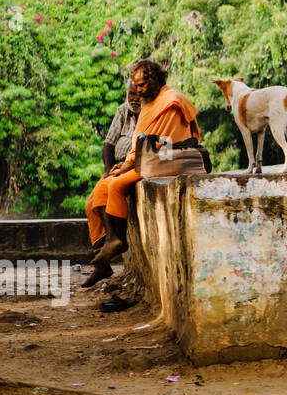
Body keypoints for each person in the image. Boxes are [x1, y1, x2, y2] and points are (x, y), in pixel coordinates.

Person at [83, 59, 200, 287]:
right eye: (135, 86)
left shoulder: (169, 100)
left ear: (154, 81)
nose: (138, 91)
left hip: (165, 161)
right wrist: (122, 165)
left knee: (115, 185)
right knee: (104, 186)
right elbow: (140, 142)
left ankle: (116, 241)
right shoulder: (151, 103)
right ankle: (112, 241)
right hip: (147, 159)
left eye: (142, 85)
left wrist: (127, 165)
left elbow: (153, 142)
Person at [102, 81, 142, 174]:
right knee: (100, 187)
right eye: (132, 93)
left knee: (114, 186)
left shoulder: (150, 114)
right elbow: (109, 144)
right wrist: (108, 171)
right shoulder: (123, 111)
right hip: (117, 167)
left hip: (134, 168)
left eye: (139, 95)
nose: (135, 99)